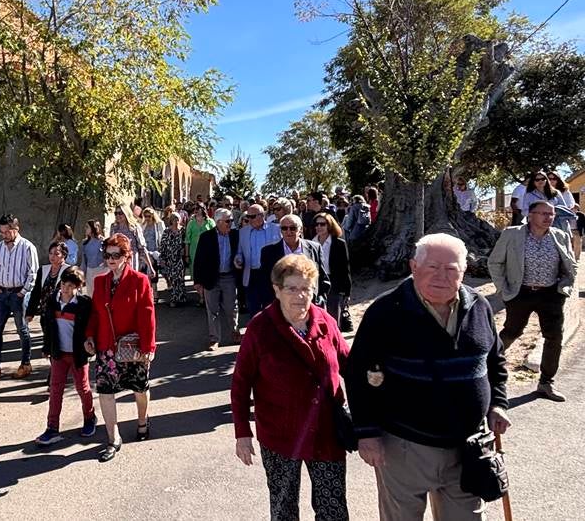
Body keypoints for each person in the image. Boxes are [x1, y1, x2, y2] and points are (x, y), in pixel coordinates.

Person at [348, 233, 511, 521]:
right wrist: (366, 433)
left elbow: (495, 360)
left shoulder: (479, 307)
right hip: (405, 448)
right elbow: (358, 373)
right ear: (413, 267)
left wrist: (498, 403)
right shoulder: (386, 311)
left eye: (451, 269)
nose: (442, 276)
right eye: (432, 267)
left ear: (464, 271)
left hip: (468, 447)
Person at [231, 254, 351, 521]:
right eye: (292, 289)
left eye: (307, 289)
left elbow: (350, 367)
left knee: (333, 510)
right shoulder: (260, 328)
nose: (301, 296)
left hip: (326, 433)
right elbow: (240, 385)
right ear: (277, 289)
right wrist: (242, 432)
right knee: (284, 510)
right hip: (280, 435)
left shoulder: (325, 321)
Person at [488, 200, 577, 402]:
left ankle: (546, 382)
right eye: (543, 213)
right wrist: (503, 288)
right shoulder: (512, 234)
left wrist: (564, 287)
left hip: (551, 294)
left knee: (554, 337)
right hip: (521, 293)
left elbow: (571, 265)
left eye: (552, 214)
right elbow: (495, 262)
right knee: (512, 331)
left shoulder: (560, 236)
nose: (548, 218)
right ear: (530, 215)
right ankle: (486, 366)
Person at [87, 233, 156, 462]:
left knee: (140, 388)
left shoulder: (140, 280)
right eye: (107, 255)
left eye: (116, 255)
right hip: (107, 346)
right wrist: (89, 336)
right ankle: (113, 438)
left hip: (133, 346)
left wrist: (148, 347)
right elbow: (95, 314)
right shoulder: (100, 281)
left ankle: (142, 420)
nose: (111, 259)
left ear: (127, 256)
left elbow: (147, 315)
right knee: (105, 392)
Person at [35, 267, 97, 445]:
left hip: (77, 354)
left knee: (82, 388)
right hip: (58, 353)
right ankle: (52, 428)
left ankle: (89, 418)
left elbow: (90, 327)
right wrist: (47, 347)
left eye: (70, 286)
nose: (65, 289)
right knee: (55, 390)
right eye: (63, 284)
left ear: (78, 287)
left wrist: (90, 345)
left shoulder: (84, 304)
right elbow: (47, 325)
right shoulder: (53, 300)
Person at [0, 214, 39, 379]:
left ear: (15, 230)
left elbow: (33, 272)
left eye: (6, 232)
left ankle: (25, 364)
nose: (3, 235)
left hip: (18, 294)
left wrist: (23, 292)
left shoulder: (27, 247)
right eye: (1, 232)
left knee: (22, 329)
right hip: (1, 293)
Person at [193, 208, 240, 350]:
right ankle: (214, 339)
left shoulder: (235, 235)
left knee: (231, 307)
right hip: (211, 278)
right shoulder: (206, 237)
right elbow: (199, 260)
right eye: (228, 221)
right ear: (218, 222)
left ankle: (235, 332)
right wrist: (197, 282)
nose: (230, 223)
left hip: (229, 277)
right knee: (212, 310)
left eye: (231, 221)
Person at [259, 214, 330, 308]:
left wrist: (320, 299)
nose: (288, 232)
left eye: (293, 228)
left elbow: (323, 278)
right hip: (281, 307)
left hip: (309, 305)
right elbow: (265, 282)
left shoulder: (314, 248)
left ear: (300, 230)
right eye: (284, 228)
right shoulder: (268, 252)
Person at [235, 203, 281, 317]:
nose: (250, 220)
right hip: (251, 275)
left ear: (262, 215)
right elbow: (239, 253)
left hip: (270, 275)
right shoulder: (243, 232)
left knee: (270, 310)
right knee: (253, 311)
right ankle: (256, 334)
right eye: (248, 217)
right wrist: (238, 260)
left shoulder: (276, 229)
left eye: (253, 217)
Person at [313, 213, 351, 324]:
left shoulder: (339, 244)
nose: (319, 227)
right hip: (316, 283)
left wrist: (346, 292)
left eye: (322, 224)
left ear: (329, 225)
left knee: (333, 318)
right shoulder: (310, 243)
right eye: (316, 224)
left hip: (334, 283)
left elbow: (345, 268)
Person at [27, 241, 72, 323]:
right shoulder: (43, 270)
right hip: (46, 313)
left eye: (56, 254)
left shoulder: (69, 271)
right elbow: (36, 292)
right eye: (50, 253)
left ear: (64, 255)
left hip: (62, 314)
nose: (52, 256)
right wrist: (30, 312)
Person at [110, 203, 155, 277]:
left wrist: (150, 266)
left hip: (131, 261)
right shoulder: (114, 228)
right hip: (117, 261)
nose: (118, 216)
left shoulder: (134, 228)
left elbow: (142, 248)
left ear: (126, 213)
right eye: (116, 213)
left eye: (120, 213)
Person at [158, 213, 187, 307]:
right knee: (173, 278)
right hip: (169, 258)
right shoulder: (167, 231)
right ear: (171, 220)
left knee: (180, 278)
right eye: (174, 219)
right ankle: (175, 298)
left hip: (179, 258)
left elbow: (186, 242)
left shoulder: (183, 230)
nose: (176, 221)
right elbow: (162, 245)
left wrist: (185, 252)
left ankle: (181, 298)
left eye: (177, 219)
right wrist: (162, 257)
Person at [184, 205, 213, 300]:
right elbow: (187, 240)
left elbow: (214, 237)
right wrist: (187, 255)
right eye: (195, 209)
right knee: (196, 274)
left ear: (203, 210)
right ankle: (201, 296)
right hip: (194, 251)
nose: (196, 211)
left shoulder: (210, 222)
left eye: (198, 209)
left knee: (206, 273)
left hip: (208, 252)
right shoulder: (191, 223)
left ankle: (205, 296)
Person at [80, 220, 106, 296]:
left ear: (93, 228)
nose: (85, 229)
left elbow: (106, 258)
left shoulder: (102, 241)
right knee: (91, 294)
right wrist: (82, 274)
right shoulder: (85, 243)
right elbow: (84, 261)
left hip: (101, 271)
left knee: (101, 294)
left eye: (87, 227)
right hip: (90, 272)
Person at [140, 207, 164, 277]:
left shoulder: (159, 224)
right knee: (145, 273)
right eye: (145, 216)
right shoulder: (143, 225)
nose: (147, 218)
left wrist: (161, 251)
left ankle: (154, 287)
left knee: (154, 273)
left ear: (153, 216)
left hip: (155, 251)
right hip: (146, 251)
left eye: (149, 216)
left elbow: (162, 237)